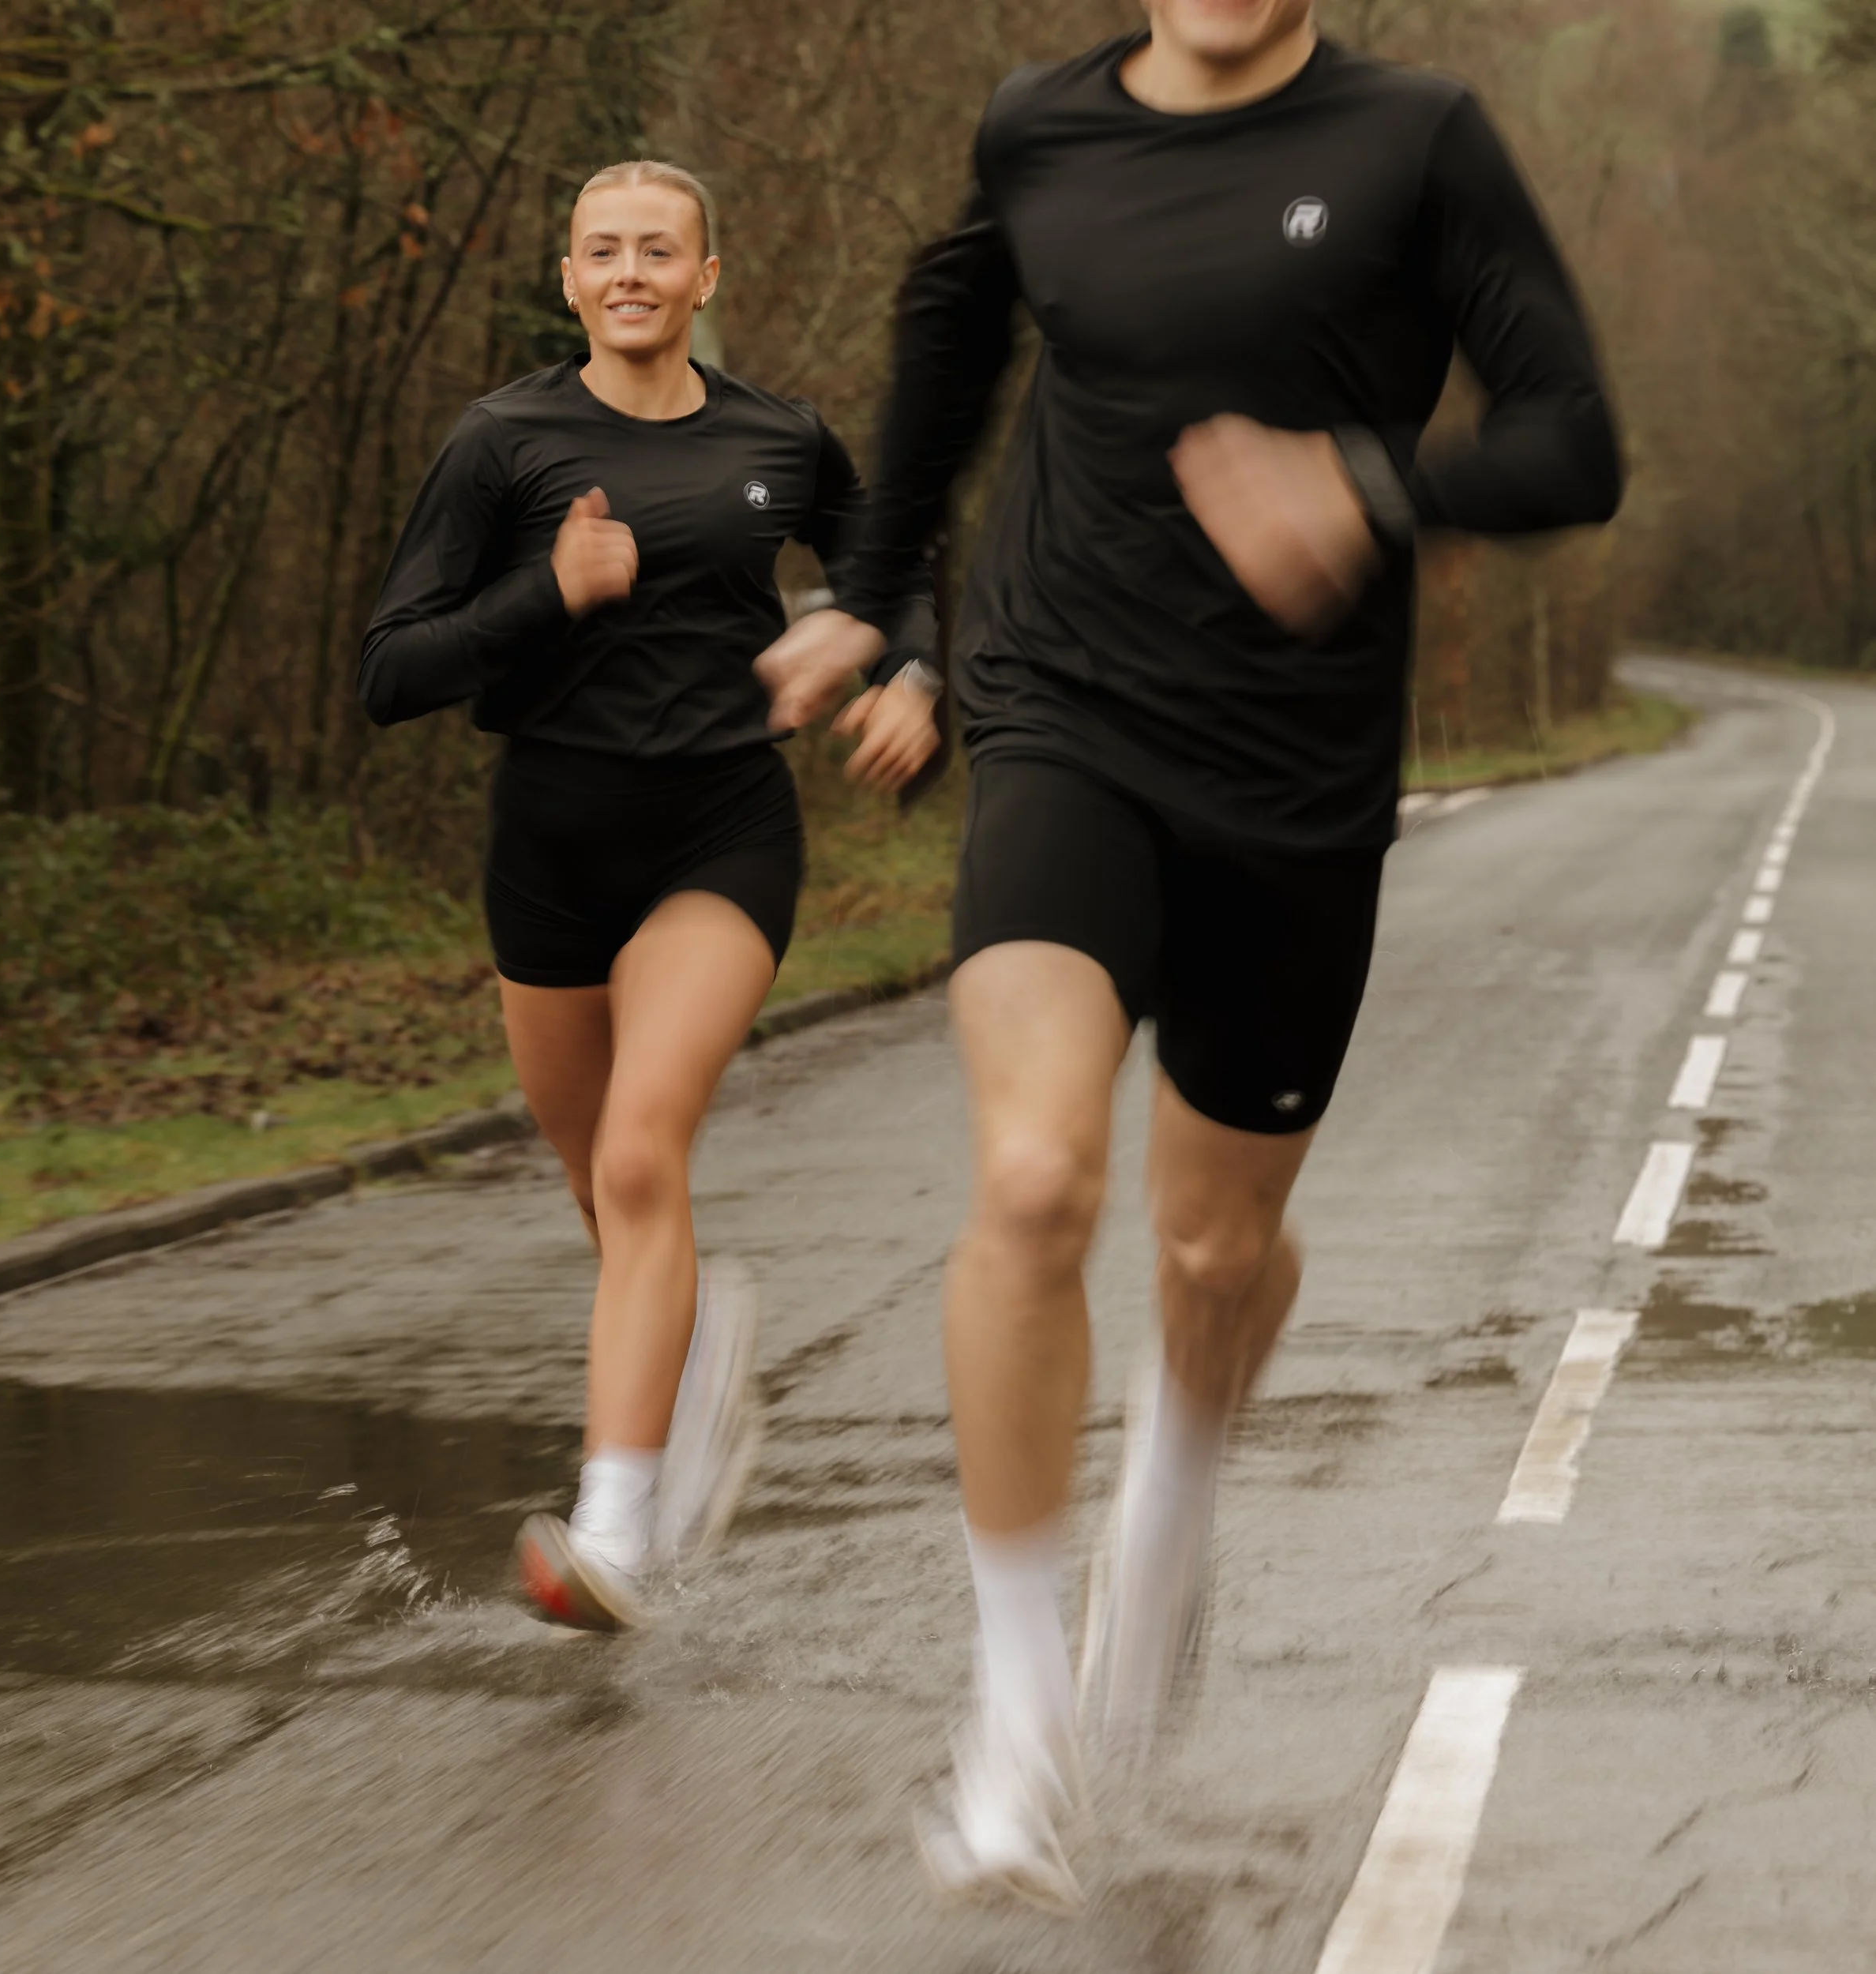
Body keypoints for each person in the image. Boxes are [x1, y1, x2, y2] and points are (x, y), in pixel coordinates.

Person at [756, 0, 1622, 1909]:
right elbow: (949, 335)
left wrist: (1367, 488)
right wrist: (878, 592)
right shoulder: (1037, 129)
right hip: (1058, 706)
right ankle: (1016, 1721)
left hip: (1295, 779)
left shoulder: (1416, 141)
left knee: (1215, 1242)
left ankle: (1170, 1500)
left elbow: (1572, 439)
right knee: (1036, 1172)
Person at [359, 159, 941, 1632]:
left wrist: (916, 672)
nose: (630, 272)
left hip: (719, 838)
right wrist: (544, 594)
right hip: (549, 854)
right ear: (569, 281)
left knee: (638, 1156)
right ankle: (696, 1385)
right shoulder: (504, 443)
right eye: (602, 251)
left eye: (659, 251)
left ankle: (613, 1527)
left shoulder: (779, 439)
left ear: (706, 277)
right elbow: (390, 670)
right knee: (607, 1194)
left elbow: (900, 568)